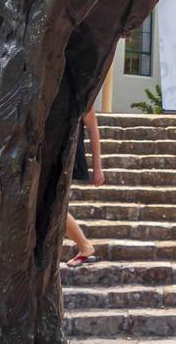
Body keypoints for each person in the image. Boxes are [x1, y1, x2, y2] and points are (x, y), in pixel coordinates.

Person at [63, 104, 104, 268]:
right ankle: (84, 246)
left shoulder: (82, 93)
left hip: (67, 157)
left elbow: (93, 130)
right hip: (49, 154)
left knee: (52, 206)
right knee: (48, 206)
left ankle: (85, 246)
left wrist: (97, 168)